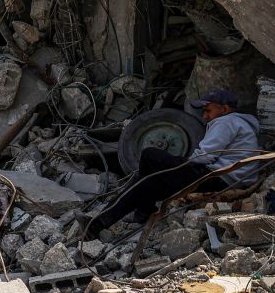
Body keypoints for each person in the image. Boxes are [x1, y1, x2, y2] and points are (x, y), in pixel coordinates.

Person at [86, 88, 262, 234]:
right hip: (226, 177)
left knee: (149, 154)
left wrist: (178, 165)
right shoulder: (239, 123)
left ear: (224, 109)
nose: (205, 116)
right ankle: (98, 225)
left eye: (208, 110)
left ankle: (141, 210)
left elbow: (205, 156)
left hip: (220, 177)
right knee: (149, 182)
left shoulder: (226, 121)